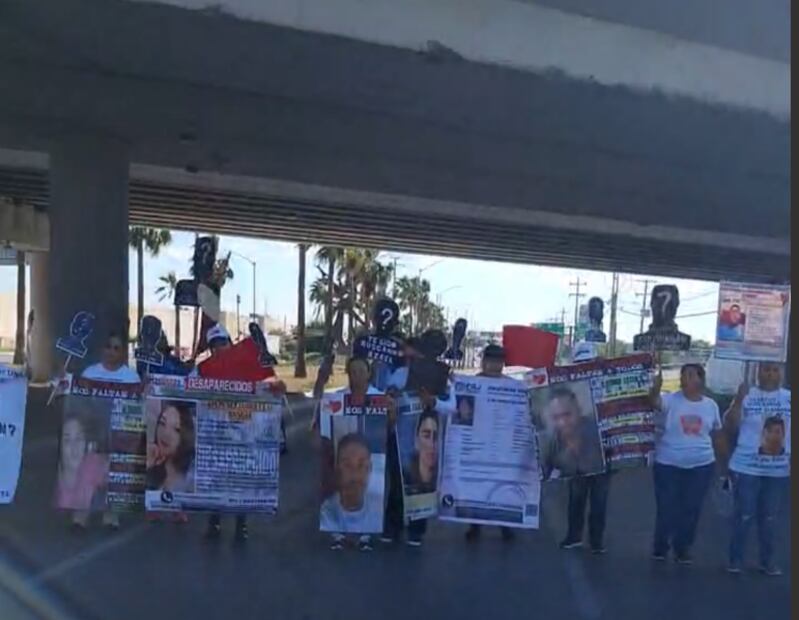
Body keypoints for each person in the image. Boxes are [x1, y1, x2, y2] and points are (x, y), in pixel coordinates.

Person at [200, 323, 287, 543]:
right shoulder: (203, 368)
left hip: (245, 432)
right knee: (217, 480)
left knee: (242, 479)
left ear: (230, 343)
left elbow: (270, 383)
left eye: (223, 342)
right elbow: (184, 388)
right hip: (217, 433)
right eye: (215, 345)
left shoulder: (250, 362)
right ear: (210, 348)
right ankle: (214, 521)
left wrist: (278, 386)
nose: (220, 348)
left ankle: (241, 524)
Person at [429, 344, 517, 543]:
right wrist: (433, 403)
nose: (495, 366)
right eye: (491, 361)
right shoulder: (469, 384)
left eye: (499, 362)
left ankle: (507, 525)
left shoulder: (513, 386)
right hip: (474, 446)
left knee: (503, 487)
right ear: (484, 362)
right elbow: (452, 407)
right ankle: (474, 525)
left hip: (501, 447)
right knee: (476, 486)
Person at [648, 363, 725, 564]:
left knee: (691, 508)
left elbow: (717, 434)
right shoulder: (670, 400)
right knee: (667, 508)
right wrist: (656, 387)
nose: (685, 379)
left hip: (701, 465)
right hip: (668, 464)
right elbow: (654, 402)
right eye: (683, 375)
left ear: (700, 379)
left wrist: (723, 464)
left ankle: (683, 548)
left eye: (690, 375)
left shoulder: (710, 406)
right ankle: (660, 547)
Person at [723, 361, 790, 576]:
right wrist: (738, 399)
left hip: (778, 470)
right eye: (766, 369)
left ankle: (767, 561)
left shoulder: (789, 398)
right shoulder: (747, 395)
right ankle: (735, 560)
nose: (770, 374)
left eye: (774, 370)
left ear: (780, 373)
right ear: (758, 372)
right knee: (744, 515)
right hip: (747, 467)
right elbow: (730, 425)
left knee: (770, 517)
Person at [322, 356, 395, 551]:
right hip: (342, 455)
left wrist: (391, 413)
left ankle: (365, 536)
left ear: (369, 373)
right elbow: (323, 429)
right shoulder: (337, 398)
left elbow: (388, 428)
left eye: (361, 371)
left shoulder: (380, 398)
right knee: (340, 493)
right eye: (353, 372)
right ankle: (337, 535)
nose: (357, 376)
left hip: (369, 455)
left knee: (370, 493)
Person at [70, 329, 140, 530]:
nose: (111, 352)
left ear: (122, 353)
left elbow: (136, 407)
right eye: (108, 347)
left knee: (115, 477)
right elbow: (80, 403)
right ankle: (79, 519)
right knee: (87, 475)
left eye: (116, 348)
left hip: (120, 436)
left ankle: (111, 518)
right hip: (94, 433)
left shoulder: (131, 377)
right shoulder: (90, 373)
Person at [559, 343, 612, 555]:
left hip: (605, 450)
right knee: (576, 497)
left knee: (600, 500)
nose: (585, 368)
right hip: (577, 451)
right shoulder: (567, 387)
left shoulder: (609, 383)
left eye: (588, 363)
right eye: (581, 364)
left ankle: (596, 540)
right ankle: (574, 536)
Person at [320, 432, 384, 534]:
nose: (354, 474)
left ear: (370, 468)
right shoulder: (325, 515)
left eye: (361, 465)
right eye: (347, 465)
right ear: (337, 469)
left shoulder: (381, 509)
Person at [539, 387, 605, 480]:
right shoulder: (549, 445)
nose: (563, 422)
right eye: (556, 417)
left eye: (567, 414)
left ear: (578, 410)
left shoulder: (597, 432)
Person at [55, 412, 108, 523]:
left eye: (79, 439)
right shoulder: (49, 477)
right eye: (67, 440)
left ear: (86, 443)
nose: (74, 447)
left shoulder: (92, 463)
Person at [146, 400, 196, 492]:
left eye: (176, 429)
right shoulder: (151, 468)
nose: (166, 433)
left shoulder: (190, 481)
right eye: (162, 423)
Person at [404, 410, 439, 494]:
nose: (431, 444)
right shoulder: (404, 479)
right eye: (426, 436)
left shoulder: (444, 483)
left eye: (436, 437)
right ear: (416, 441)